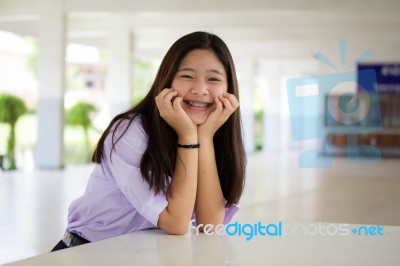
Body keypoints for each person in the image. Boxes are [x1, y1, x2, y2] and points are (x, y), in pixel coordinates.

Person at [51, 31, 246, 251]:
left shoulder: (213, 134)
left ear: (228, 88)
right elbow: (176, 222)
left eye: (214, 79)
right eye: (187, 76)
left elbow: (210, 224)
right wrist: (188, 136)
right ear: (167, 80)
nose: (200, 89)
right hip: (84, 254)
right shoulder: (129, 131)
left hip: (138, 256)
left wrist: (205, 137)